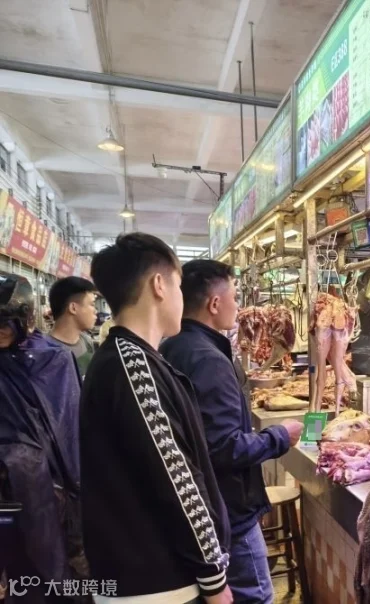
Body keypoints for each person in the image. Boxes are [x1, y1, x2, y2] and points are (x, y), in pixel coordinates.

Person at [80, 233, 232, 604]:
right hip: (158, 585)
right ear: (159, 285)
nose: (181, 296)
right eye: (178, 285)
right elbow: (178, 481)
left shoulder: (131, 358)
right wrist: (215, 580)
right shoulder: (132, 367)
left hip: (151, 580)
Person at [161, 260, 302, 603]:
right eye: (235, 297)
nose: (238, 306)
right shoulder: (208, 359)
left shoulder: (173, 346)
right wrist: (279, 436)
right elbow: (224, 448)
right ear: (214, 303)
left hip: (202, 507)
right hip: (229, 513)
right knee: (255, 596)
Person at [0, 271, 86, 603]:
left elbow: (70, 429)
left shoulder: (52, 359)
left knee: (51, 571)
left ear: (24, 319)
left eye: (6, 323)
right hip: (10, 485)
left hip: (48, 489)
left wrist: (77, 486)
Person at [48, 277, 97, 377]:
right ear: (73, 308)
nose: (95, 311)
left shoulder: (87, 342)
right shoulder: (46, 352)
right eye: (92, 304)